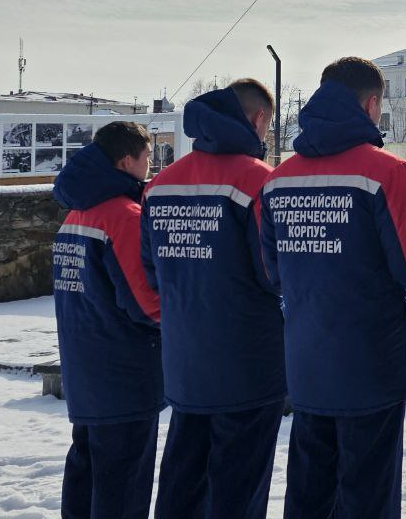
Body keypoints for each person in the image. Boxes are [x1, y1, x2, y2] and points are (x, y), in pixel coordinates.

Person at [261, 56, 406, 519]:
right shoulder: (388, 173)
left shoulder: (277, 181)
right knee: (368, 494)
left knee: (309, 491)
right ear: (371, 105)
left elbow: (274, 273)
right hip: (372, 362)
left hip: (307, 360)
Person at [142, 79, 286, 519]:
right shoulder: (258, 181)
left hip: (185, 362)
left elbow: (152, 273)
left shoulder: (160, 185)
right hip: (248, 365)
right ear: (259, 119)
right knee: (238, 491)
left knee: (183, 483)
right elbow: (273, 273)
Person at [52, 120, 163, 519]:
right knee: (122, 485)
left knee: (85, 474)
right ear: (125, 161)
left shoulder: (76, 213)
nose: (151, 165)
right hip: (123, 374)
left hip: (85, 368)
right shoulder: (125, 216)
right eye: (147, 156)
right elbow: (146, 303)